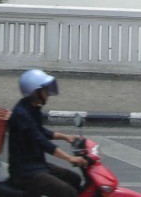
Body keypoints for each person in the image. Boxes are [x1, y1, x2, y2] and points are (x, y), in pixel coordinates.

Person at [8, 69, 86, 197]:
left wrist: (66, 137)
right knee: (68, 192)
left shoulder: (32, 108)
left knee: (74, 179)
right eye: (45, 90)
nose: (48, 94)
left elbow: (41, 131)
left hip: (38, 165)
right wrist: (69, 158)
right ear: (35, 92)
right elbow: (41, 141)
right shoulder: (21, 115)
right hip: (25, 173)